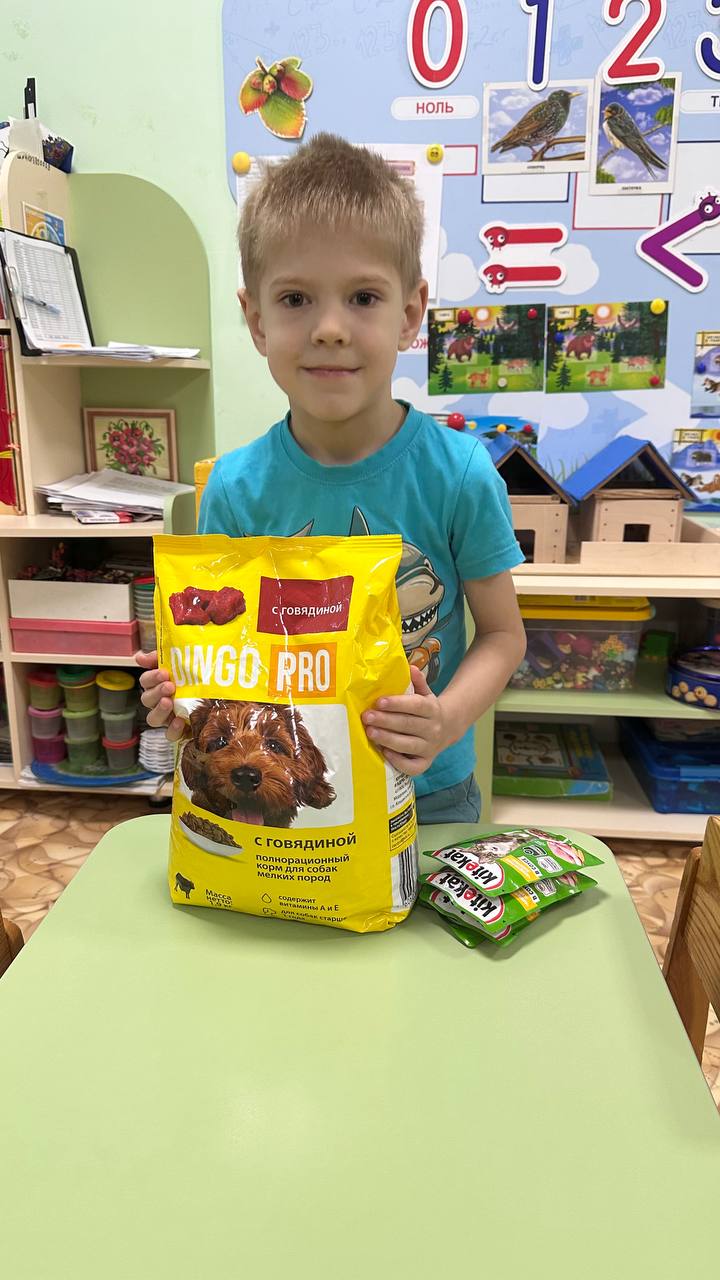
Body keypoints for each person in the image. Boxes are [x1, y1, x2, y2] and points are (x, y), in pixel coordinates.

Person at [138, 132, 526, 823]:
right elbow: (221, 659)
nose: (330, 328)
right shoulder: (233, 489)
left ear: (410, 314)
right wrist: (180, 696)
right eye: (294, 299)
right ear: (256, 320)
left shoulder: (460, 475)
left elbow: (503, 636)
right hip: (289, 796)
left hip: (430, 794)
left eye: (363, 296)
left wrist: (444, 720)